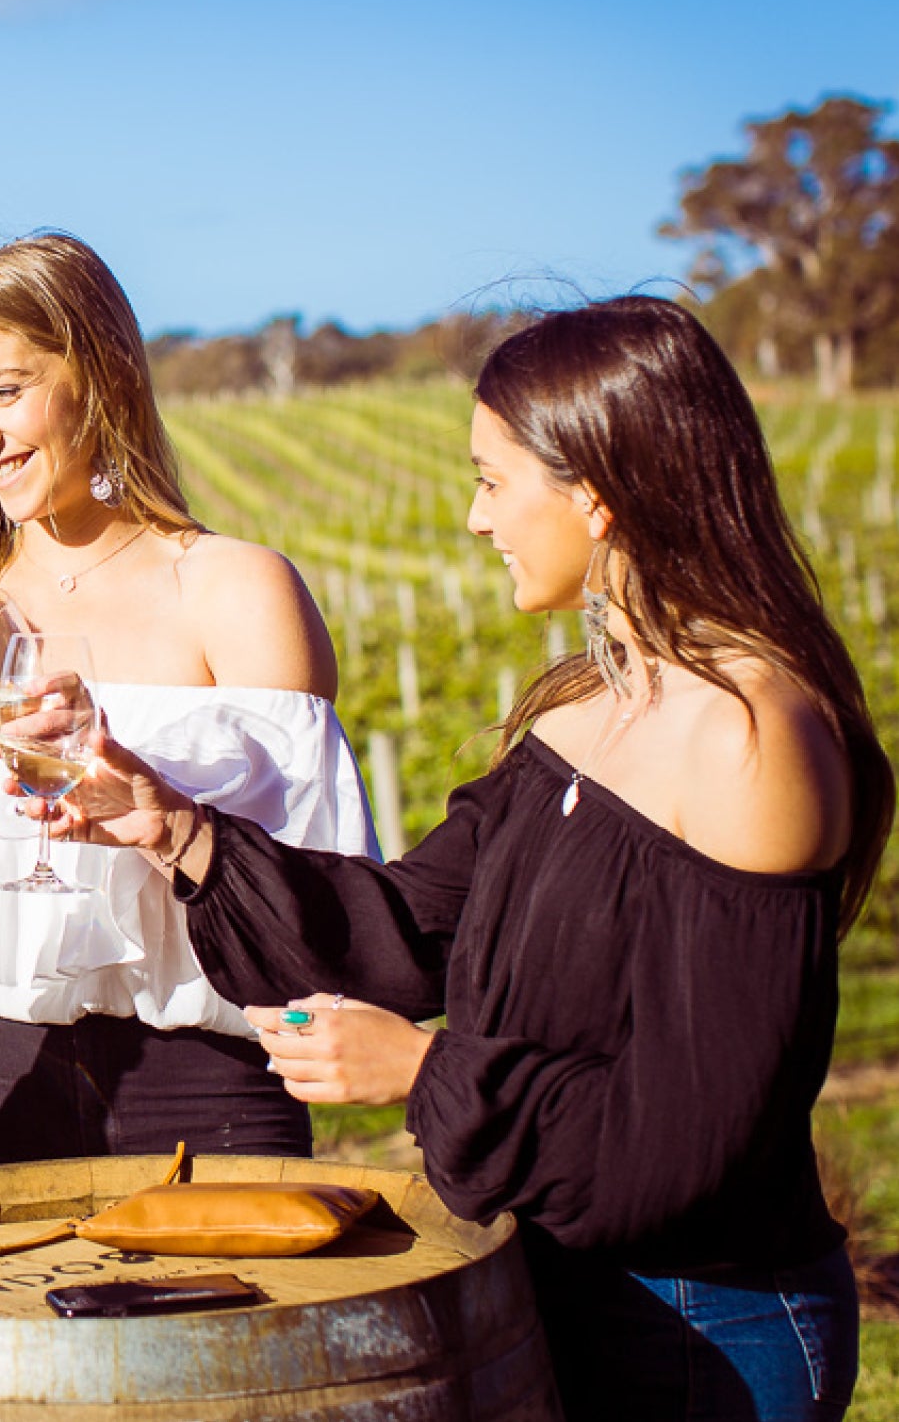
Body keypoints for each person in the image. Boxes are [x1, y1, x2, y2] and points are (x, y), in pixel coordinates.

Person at [47, 297, 891, 1422]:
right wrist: (174, 828)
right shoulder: (579, 710)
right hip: (539, 1276)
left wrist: (417, 1070)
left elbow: (685, 1134)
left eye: (492, 480)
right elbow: (399, 929)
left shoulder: (750, 736)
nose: (470, 516)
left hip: (702, 1322)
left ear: (591, 492)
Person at [0, 232, 377, 1182]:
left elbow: (311, 901)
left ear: (101, 372)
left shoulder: (238, 591)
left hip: (206, 1092)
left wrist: (141, 795)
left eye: (4, 390)